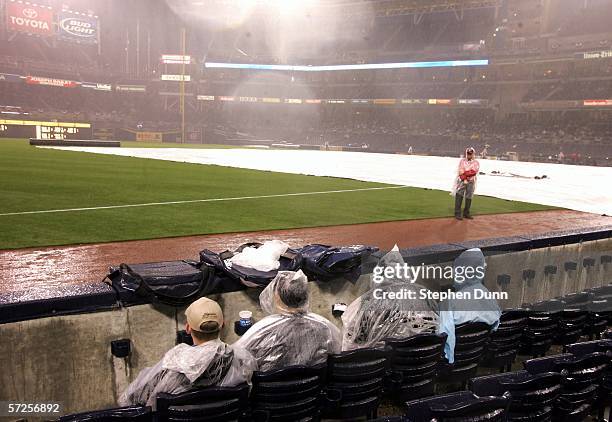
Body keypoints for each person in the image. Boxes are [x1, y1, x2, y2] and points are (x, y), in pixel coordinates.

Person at [118, 297, 257, 409]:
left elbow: (130, 399)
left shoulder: (174, 363)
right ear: (223, 325)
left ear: (188, 328)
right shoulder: (243, 359)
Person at [234, 270, 342, 372]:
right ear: (305, 296)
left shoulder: (261, 330)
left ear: (276, 297)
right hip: (312, 388)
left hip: (273, 389)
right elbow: (338, 352)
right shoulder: (325, 327)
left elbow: (237, 360)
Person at [341, 246, 439, 351]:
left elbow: (354, 334)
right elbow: (433, 327)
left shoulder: (368, 299)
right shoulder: (422, 294)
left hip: (384, 358)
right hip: (418, 356)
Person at [438, 248, 501, 363]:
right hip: (478, 357)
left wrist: (450, 363)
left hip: (456, 360)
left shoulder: (449, 303)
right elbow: (496, 325)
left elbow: (445, 335)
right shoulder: (489, 296)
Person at [452, 147, 480, 220]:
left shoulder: (476, 162)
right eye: (468, 154)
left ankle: (466, 213)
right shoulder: (462, 161)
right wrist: (464, 179)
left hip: (471, 181)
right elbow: (460, 171)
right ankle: (457, 213)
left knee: (469, 196)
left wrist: (465, 176)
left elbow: (474, 171)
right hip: (462, 181)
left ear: (473, 154)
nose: (469, 155)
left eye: (471, 154)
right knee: (459, 195)